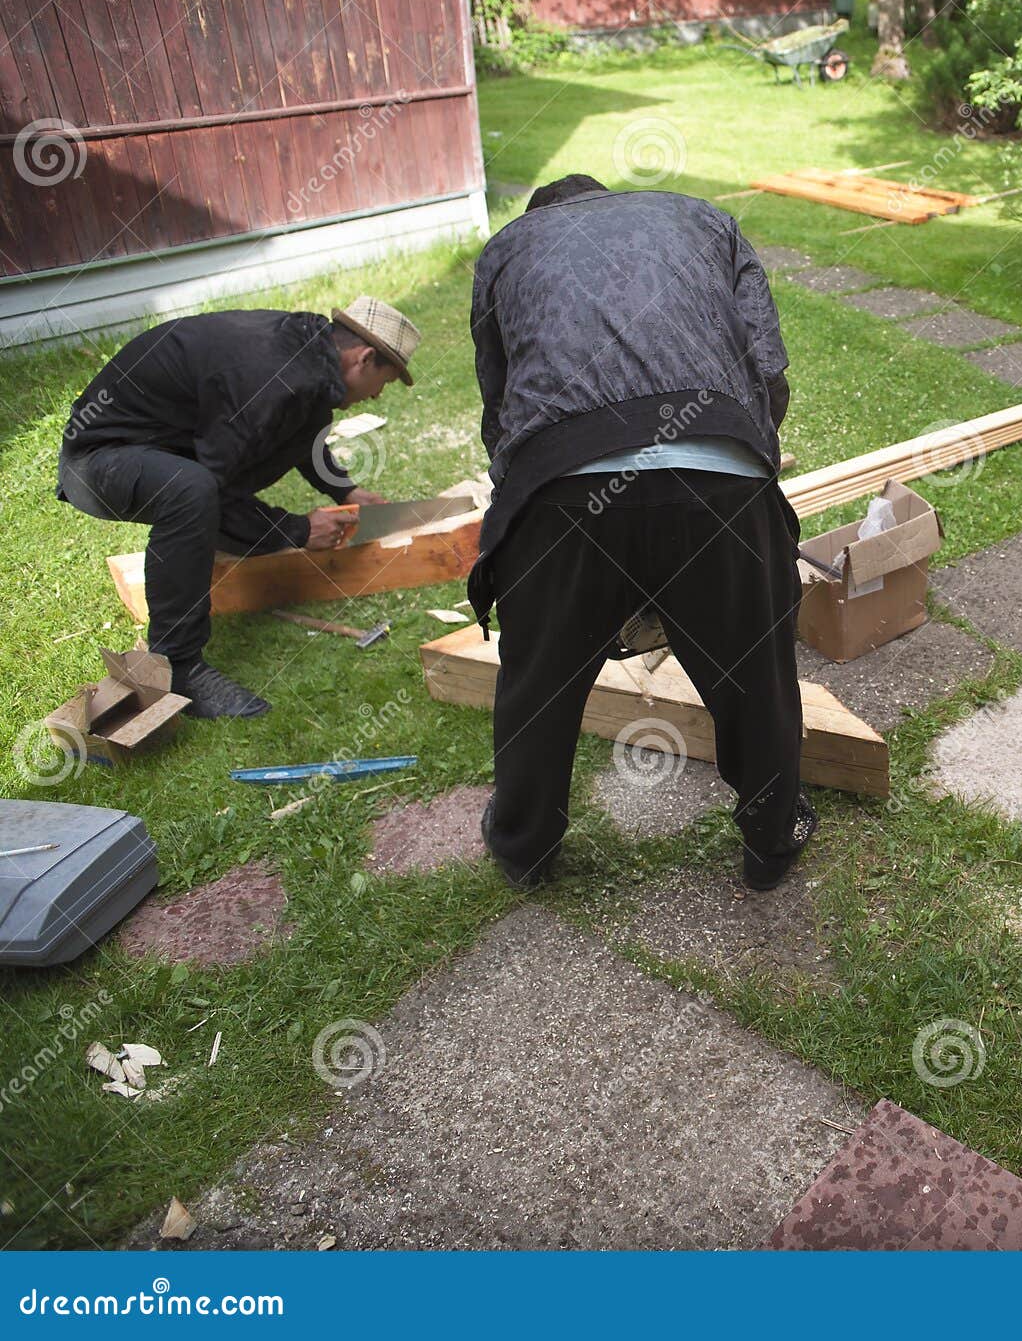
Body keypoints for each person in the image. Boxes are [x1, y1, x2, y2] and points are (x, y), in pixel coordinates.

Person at [468, 174, 814, 891]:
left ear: (546, 219)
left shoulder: (506, 247)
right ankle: (772, 840)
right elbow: (770, 369)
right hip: (717, 467)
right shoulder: (706, 219)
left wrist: (550, 547)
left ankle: (523, 845)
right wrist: (739, 480)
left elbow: (499, 412)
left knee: (539, 678)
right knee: (757, 675)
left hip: (560, 481)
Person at [57, 296, 420, 718]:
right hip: (95, 462)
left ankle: (193, 570)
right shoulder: (269, 375)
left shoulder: (305, 355)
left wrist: (344, 491)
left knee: (200, 490)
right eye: (385, 383)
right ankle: (178, 666)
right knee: (191, 493)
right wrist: (298, 531)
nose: (376, 396)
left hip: (159, 443)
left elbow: (300, 424)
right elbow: (215, 492)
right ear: (364, 357)